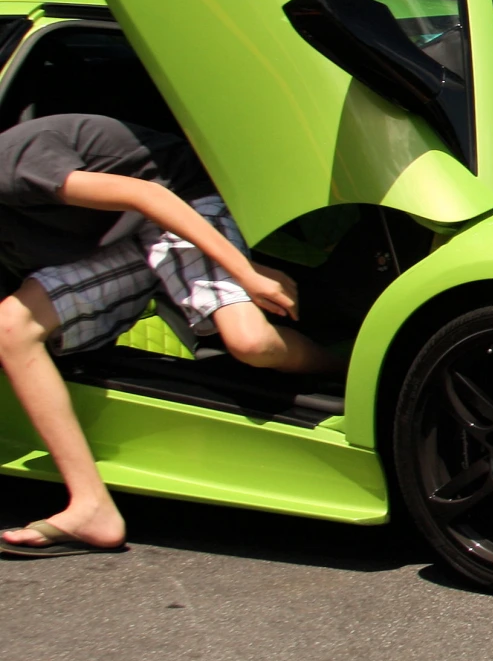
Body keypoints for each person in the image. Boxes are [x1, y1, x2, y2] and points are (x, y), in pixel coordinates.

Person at [0, 113, 335, 557]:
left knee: (251, 343)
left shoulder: (13, 163)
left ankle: (346, 365)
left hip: (179, 201)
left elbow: (147, 194)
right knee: (11, 328)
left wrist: (245, 271)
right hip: (117, 235)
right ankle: (90, 506)